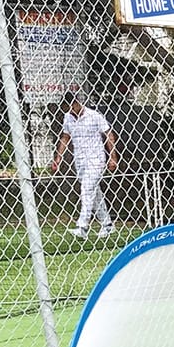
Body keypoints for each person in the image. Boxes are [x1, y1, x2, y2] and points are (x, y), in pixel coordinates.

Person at [51, 92, 117, 239]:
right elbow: (65, 137)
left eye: (70, 108)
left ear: (76, 103)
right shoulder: (68, 117)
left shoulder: (94, 115)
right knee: (94, 192)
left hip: (96, 158)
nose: (69, 112)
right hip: (80, 160)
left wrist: (112, 157)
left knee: (86, 189)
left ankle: (82, 226)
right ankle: (107, 224)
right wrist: (58, 157)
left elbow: (109, 134)